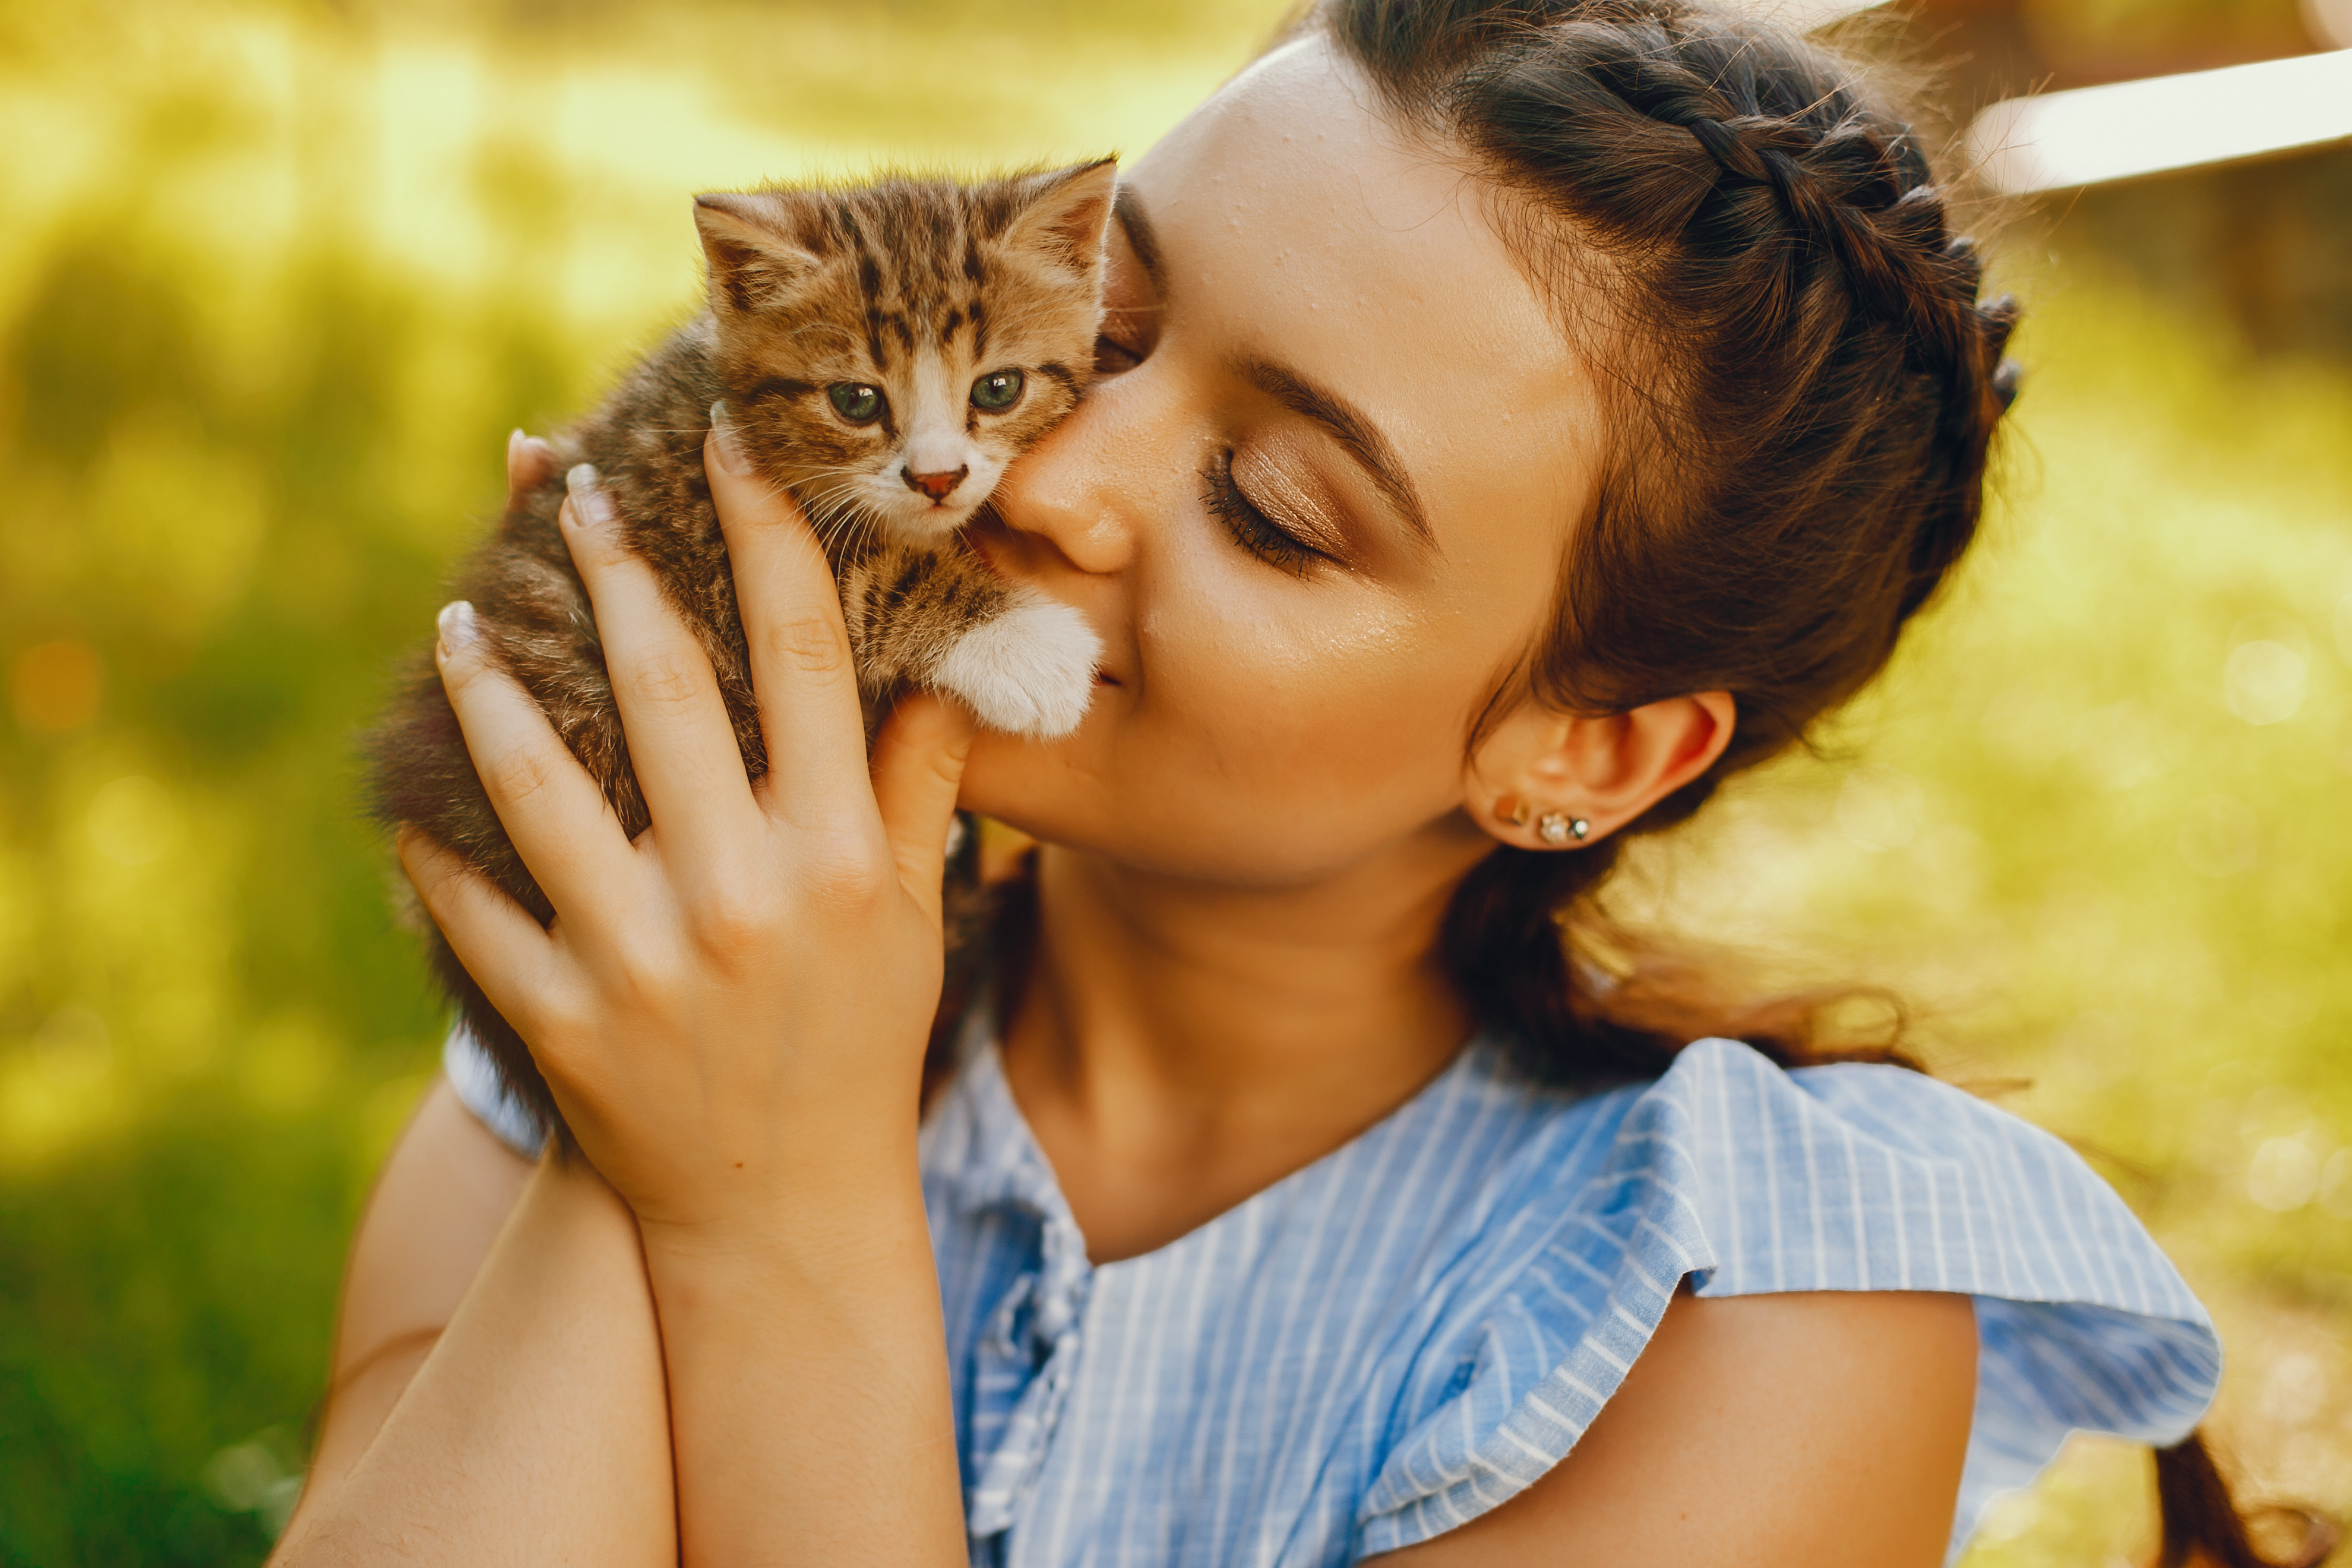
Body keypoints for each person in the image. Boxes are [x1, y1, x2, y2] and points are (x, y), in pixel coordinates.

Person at [272, 2, 2305, 1563]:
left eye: (1273, 508)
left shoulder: (1755, 1328)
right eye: (1100, 324)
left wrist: (770, 1211)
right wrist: (670, 973)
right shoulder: (649, 1018)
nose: (1039, 483)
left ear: (1582, 749)